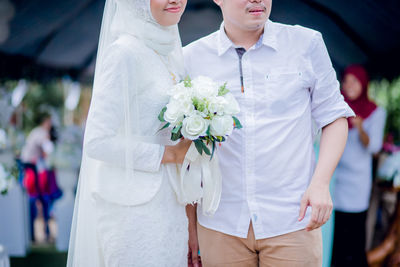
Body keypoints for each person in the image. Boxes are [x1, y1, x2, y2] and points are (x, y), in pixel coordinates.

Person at [184, 0, 355, 266]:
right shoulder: (191, 58)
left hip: (293, 220)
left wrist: (320, 184)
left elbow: (334, 116)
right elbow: (187, 150)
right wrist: (190, 226)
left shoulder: (306, 44)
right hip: (219, 222)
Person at [67, 0, 192, 266]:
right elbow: (97, 141)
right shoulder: (124, 52)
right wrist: (167, 154)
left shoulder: (167, 52)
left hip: (170, 199)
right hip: (131, 207)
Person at [332, 65, 386, 267]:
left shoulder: (375, 112)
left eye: (354, 81)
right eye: (346, 81)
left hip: (357, 183)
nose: (349, 85)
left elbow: (374, 148)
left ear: (363, 84)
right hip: (336, 180)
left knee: (354, 235)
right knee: (335, 234)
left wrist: (361, 127)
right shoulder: (337, 108)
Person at [20, 111, 54, 242]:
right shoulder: (41, 133)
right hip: (32, 171)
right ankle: (38, 232)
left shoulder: (36, 132)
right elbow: (48, 149)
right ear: (45, 122)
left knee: (38, 200)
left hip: (33, 170)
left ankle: (39, 232)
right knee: (38, 199)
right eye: (49, 122)